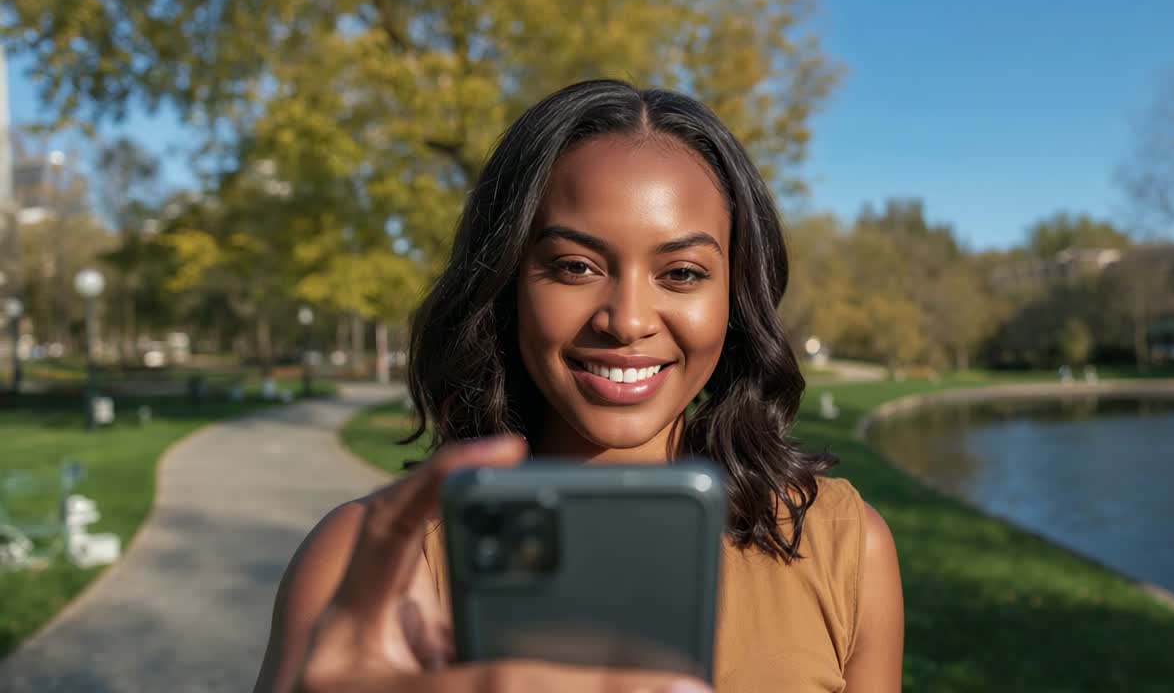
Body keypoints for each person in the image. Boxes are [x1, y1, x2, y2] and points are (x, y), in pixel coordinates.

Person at [253, 79, 904, 692]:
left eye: (680, 273)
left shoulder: (845, 547)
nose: (626, 320)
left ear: (736, 297)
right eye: (574, 266)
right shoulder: (365, 570)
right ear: (507, 284)